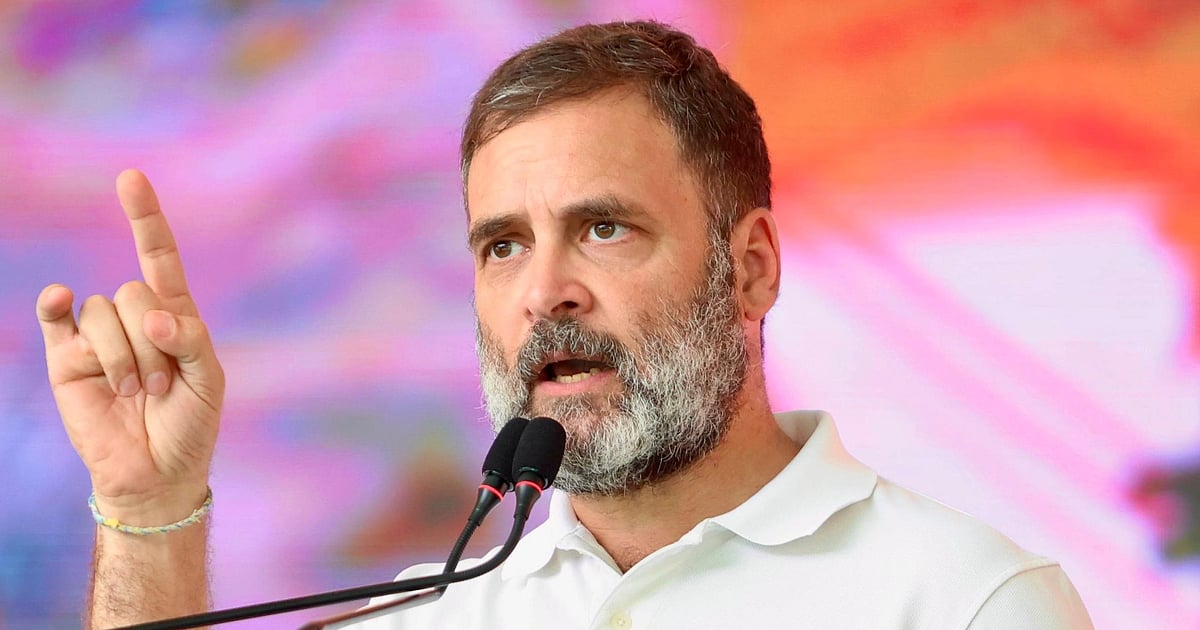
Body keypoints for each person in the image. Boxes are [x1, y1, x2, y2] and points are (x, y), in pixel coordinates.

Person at [37, 20, 1092, 629]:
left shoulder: (968, 602)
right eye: (502, 245)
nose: (545, 293)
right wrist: (148, 506)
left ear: (752, 268)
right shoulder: (423, 617)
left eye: (603, 228)